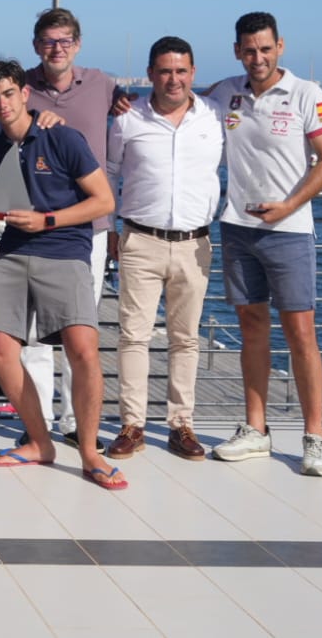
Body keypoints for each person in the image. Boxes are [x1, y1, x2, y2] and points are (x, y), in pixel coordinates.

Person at [0, 60, 126, 491]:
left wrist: (48, 221)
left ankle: (91, 451)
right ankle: (40, 442)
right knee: (1, 350)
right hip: (12, 252)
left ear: (25, 93)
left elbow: (104, 201)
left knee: (82, 349)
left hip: (63, 250)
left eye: (9, 93)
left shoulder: (61, 136)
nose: (1, 103)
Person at [209, 12, 322, 476]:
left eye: (265, 49)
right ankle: (256, 430)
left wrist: (288, 206)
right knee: (251, 327)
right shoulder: (225, 93)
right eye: (249, 50)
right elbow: (175, 100)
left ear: (280, 46)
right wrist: (122, 101)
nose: (257, 58)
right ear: (237, 51)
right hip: (237, 229)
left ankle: (315, 435)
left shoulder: (308, 94)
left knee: (301, 332)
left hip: (289, 230)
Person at [104, 37, 223, 462]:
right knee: (133, 336)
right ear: (151, 73)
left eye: (182, 70)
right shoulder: (128, 118)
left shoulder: (215, 115)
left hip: (195, 244)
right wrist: (111, 228)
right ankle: (131, 425)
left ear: (193, 73)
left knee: (186, 339)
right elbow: (111, 172)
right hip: (140, 240)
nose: (174, 79)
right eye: (165, 71)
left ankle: (181, 425)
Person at [19, 8, 126, 448]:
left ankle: (75, 421)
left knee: (78, 333)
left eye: (64, 41)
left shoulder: (102, 85)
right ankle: (38, 420)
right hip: (33, 228)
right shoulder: (21, 88)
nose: (56, 48)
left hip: (90, 228)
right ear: (36, 45)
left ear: (77, 44)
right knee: (32, 335)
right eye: (48, 41)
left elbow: (158, 98)